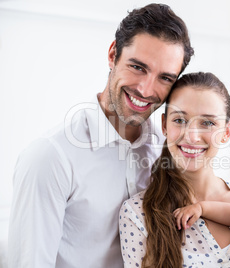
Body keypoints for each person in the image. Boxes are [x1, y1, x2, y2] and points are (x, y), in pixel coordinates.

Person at [8, 3, 194, 268]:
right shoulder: (51, 156)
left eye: (165, 78)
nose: (146, 89)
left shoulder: (167, 150)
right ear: (112, 54)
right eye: (138, 67)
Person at [119, 72, 230, 267]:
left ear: (226, 132)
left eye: (208, 123)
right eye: (179, 120)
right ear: (164, 125)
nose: (192, 136)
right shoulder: (138, 214)